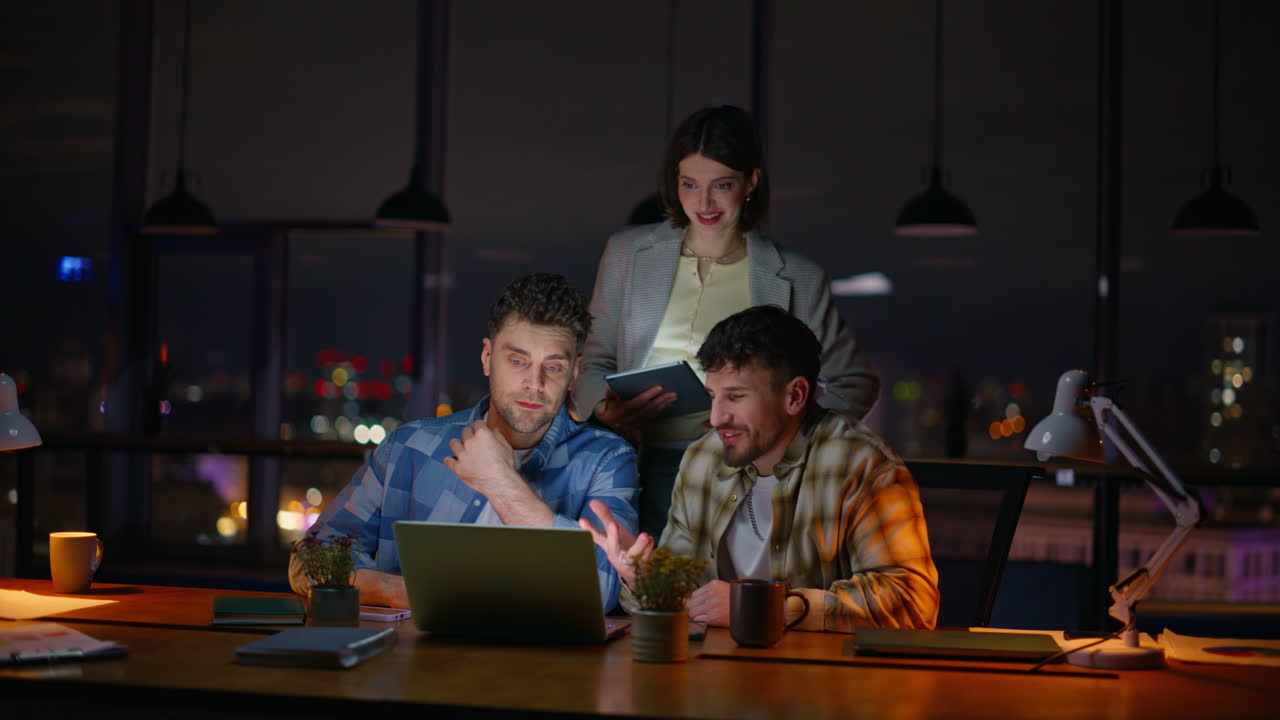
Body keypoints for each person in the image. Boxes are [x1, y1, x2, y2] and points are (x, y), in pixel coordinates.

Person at [573, 105, 880, 540]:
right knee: (636, 597)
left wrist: (777, 435)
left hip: (742, 476)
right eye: (689, 185)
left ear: (751, 182)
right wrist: (605, 406)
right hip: (638, 464)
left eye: (722, 186)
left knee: (719, 605)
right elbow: (592, 361)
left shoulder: (796, 278)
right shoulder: (627, 255)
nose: (704, 203)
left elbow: (854, 384)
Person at [292, 273, 640, 612]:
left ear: (575, 372)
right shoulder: (409, 448)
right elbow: (312, 555)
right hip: (412, 662)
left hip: (540, 666)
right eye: (517, 361)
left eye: (553, 367)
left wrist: (500, 482)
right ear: (487, 358)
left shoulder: (607, 460)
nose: (534, 383)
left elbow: (603, 588)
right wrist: (400, 590)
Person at [580, 306, 938, 632]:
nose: (717, 418)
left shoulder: (863, 465)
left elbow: (912, 603)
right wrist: (643, 579)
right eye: (713, 396)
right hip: (716, 681)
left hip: (825, 686)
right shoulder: (702, 460)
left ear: (795, 396)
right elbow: (686, 596)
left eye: (736, 397)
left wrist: (762, 609)